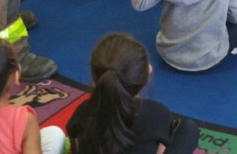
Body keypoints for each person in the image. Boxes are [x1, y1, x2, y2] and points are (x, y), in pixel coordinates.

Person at [66, 33, 199, 153]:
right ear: (148, 70)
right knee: (189, 128)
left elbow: (74, 137)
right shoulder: (157, 113)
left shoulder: (83, 111)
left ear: (95, 80)